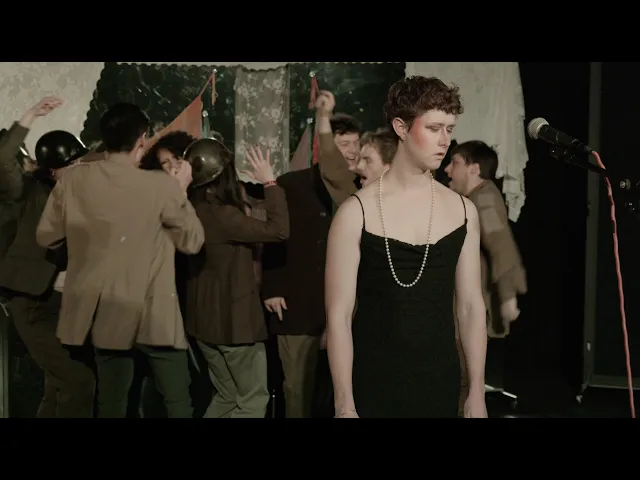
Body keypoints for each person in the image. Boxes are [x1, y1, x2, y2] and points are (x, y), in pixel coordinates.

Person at [325, 76, 488, 418]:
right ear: (401, 127)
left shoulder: (463, 211)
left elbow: (471, 307)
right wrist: (344, 404)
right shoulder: (356, 212)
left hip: (439, 382)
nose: (444, 140)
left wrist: (477, 392)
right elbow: (338, 316)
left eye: (449, 129)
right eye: (434, 128)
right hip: (373, 383)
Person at [35, 102, 205, 418]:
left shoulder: (74, 181)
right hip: (154, 313)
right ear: (142, 139)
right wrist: (180, 189)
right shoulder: (159, 185)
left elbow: (47, 237)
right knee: (177, 401)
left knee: (112, 402)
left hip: (106, 310)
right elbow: (192, 242)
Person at [0, 96, 97, 418]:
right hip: (31, 304)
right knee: (78, 381)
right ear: (53, 171)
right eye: (74, 165)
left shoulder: (78, 197)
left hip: (59, 303)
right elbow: (3, 160)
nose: (81, 170)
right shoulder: (27, 192)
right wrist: (30, 115)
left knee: (57, 385)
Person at [184, 139, 289, 418]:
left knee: (227, 396)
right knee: (253, 400)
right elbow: (279, 230)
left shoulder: (191, 209)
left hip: (203, 324)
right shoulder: (222, 216)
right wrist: (270, 182)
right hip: (233, 326)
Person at [444, 140, 527, 409]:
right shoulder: (473, 199)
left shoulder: (485, 199)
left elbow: (500, 245)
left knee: (462, 382)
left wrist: (508, 296)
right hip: (462, 309)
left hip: (470, 311)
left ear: (474, 169)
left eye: (455, 163)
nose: (447, 169)